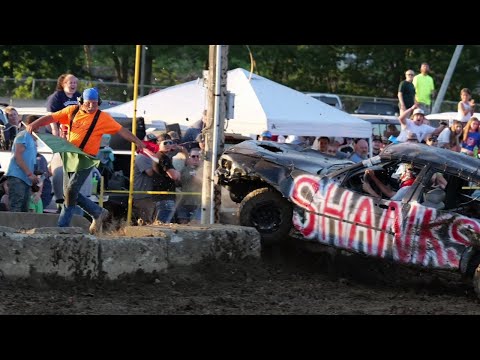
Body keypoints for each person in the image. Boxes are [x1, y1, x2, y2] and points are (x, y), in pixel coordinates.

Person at [26, 87, 146, 234]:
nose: (91, 106)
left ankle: (62, 226)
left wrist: (137, 141)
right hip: (70, 155)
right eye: (88, 103)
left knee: (71, 191)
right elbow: (52, 117)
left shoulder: (103, 117)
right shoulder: (71, 111)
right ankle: (97, 212)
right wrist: (34, 124)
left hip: (86, 158)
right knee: (68, 193)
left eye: (95, 103)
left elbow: (122, 131)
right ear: (81, 101)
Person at [5, 126, 39, 212]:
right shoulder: (23, 135)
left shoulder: (33, 141)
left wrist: (33, 176)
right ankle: (12, 225)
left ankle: (20, 226)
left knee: (24, 209)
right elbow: (18, 156)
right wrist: (30, 174)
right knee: (16, 207)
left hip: (26, 180)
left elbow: (29, 160)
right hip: (18, 177)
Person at [152, 138, 181, 223]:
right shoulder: (163, 157)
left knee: (161, 222)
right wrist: (178, 173)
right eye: (165, 143)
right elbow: (174, 176)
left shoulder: (159, 156)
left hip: (162, 195)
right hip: (165, 195)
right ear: (159, 144)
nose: (168, 144)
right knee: (164, 224)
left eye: (170, 142)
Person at [177, 148, 203, 224]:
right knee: (183, 224)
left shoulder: (206, 170)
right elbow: (178, 183)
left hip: (199, 203)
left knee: (197, 224)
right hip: (184, 202)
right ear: (189, 157)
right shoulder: (184, 170)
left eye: (198, 156)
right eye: (193, 156)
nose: (196, 158)